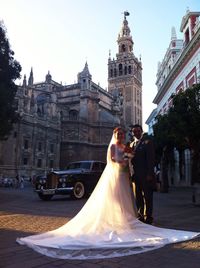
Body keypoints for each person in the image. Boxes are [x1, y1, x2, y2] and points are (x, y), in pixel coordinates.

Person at [16, 127, 199, 260]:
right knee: (117, 200)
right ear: (115, 135)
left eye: (122, 134)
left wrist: (130, 157)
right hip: (117, 176)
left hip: (126, 177)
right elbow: (115, 160)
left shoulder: (130, 145)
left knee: (129, 200)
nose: (121, 135)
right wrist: (127, 157)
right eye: (118, 134)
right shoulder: (115, 147)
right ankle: (121, 220)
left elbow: (131, 159)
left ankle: (136, 218)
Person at [131, 124, 156, 225]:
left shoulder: (147, 142)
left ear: (141, 131)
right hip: (136, 176)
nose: (136, 133)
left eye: (138, 131)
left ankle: (149, 217)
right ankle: (140, 215)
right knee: (138, 197)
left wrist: (150, 173)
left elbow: (151, 158)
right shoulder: (132, 144)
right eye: (134, 131)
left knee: (148, 196)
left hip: (146, 175)